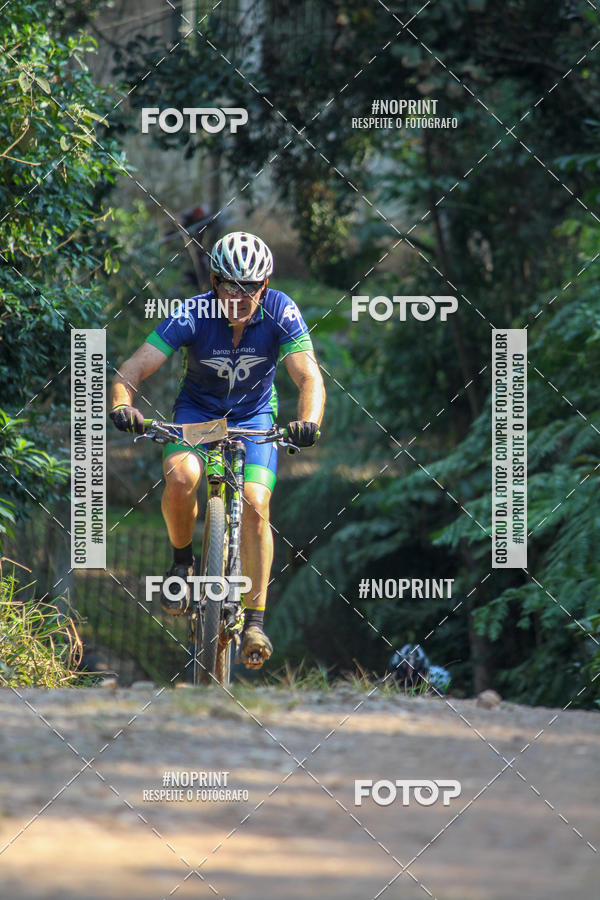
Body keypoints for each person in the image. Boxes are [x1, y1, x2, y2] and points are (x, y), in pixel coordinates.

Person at [109, 231, 325, 669]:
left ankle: (256, 621)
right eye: (231, 285)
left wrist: (309, 422)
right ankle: (183, 565)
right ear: (213, 281)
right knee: (182, 477)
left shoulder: (282, 309)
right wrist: (121, 404)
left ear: (265, 285)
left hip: (255, 420)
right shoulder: (192, 312)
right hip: (197, 416)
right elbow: (132, 367)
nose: (240, 296)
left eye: (251, 287)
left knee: (256, 503)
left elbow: (309, 377)